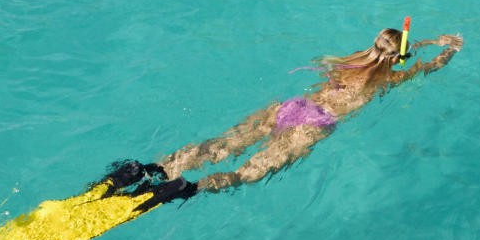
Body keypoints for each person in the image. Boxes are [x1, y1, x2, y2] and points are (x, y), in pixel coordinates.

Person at [159, 27, 463, 192]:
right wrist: (448, 48)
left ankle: (160, 168)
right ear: (398, 59)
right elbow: (429, 67)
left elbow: (390, 51)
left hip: (294, 107)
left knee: (221, 146)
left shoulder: (351, 61)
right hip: (314, 124)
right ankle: (192, 188)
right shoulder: (388, 80)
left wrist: (429, 39)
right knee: (246, 172)